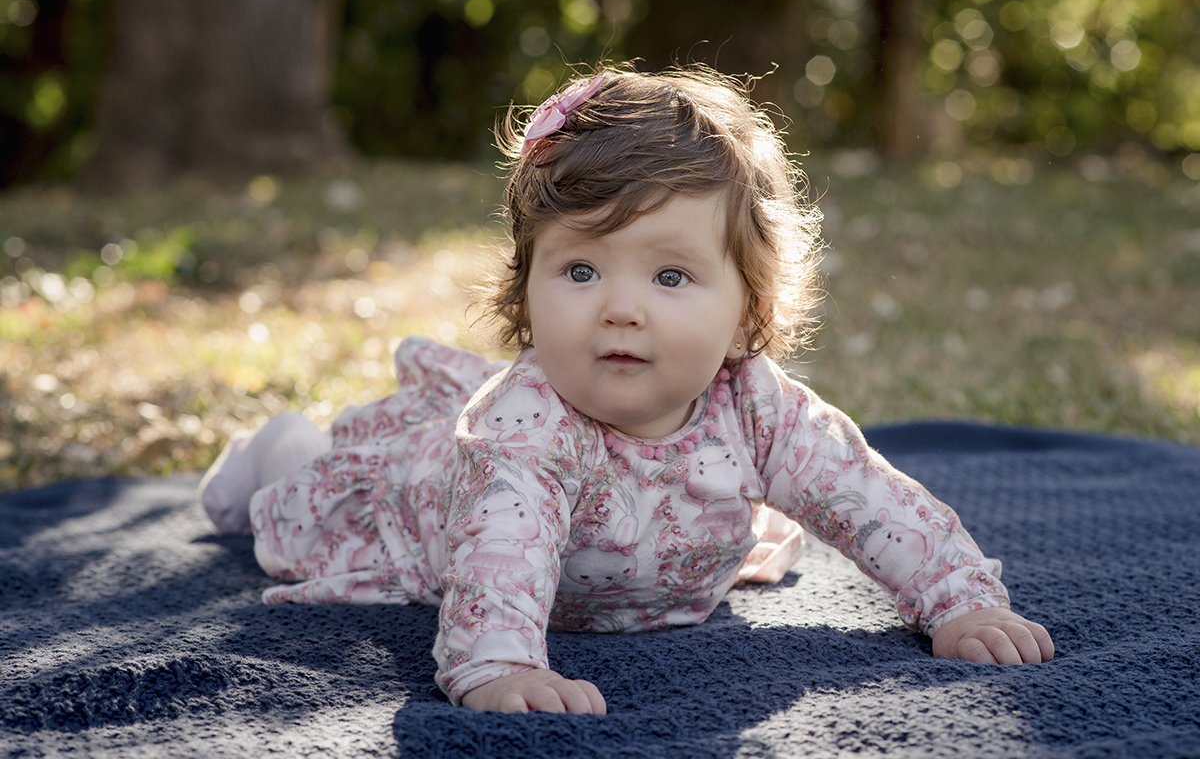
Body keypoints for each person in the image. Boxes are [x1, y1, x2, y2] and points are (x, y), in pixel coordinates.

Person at [198, 66, 1054, 716]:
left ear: (747, 308)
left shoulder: (757, 406)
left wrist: (959, 601)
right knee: (311, 495)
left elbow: (869, 496)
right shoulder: (526, 428)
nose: (619, 309)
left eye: (671, 276)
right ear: (525, 285)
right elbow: (502, 556)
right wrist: (497, 664)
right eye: (579, 268)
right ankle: (274, 449)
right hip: (417, 514)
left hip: (636, 559)